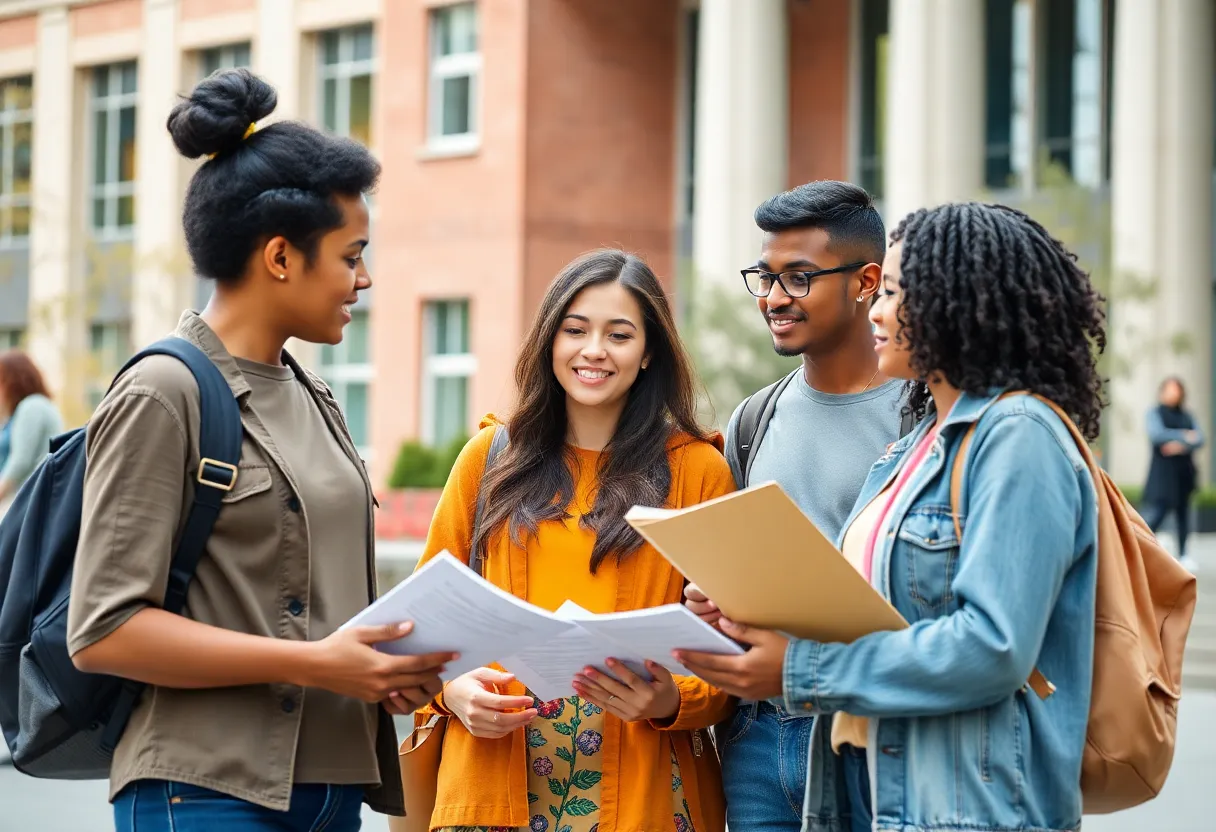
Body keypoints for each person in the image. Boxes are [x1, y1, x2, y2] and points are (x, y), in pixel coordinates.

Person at [66, 69, 454, 831]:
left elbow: (320, 606)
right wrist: (319, 663)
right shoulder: (163, 391)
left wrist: (382, 668)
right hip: (206, 793)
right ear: (280, 257)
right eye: (350, 255)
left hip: (331, 794)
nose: (364, 279)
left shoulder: (316, 396)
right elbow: (105, 631)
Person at [680, 202, 1103, 832]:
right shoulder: (920, 450)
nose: (877, 310)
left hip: (975, 802)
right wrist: (739, 601)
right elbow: (881, 604)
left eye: (895, 293)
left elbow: (994, 647)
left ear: (959, 302)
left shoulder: (1018, 435)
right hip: (889, 775)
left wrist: (798, 668)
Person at [415, 249, 736, 832]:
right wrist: (453, 691)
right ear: (549, 341)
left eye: (619, 335)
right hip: (492, 789)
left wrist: (671, 700)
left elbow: (733, 656)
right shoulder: (488, 461)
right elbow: (417, 628)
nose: (594, 350)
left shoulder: (698, 472)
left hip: (646, 795)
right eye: (576, 330)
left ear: (648, 353)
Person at [684, 180, 904, 832]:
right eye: (766, 277)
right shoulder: (755, 419)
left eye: (799, 278)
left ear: (866, 282)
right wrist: (712, 596)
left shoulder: (925, 417)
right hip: (757, 737)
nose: (774, 298)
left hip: (876, 731)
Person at [1142, 376, 1205, 571]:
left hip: (1183, 474)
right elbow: (1157, 435)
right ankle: (1139, 548)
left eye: (1176, 390)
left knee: (1183, 515)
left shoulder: (1187, 415)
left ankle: (1184, 554)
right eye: (1169, 389)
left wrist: (1179, 445)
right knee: (1156, 513)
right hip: (1163, 474)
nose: (1173, 393)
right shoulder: (1155, 413)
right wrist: (1184, 436)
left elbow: (1200, 438)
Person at [0, 350, 63, 516]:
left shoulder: (31, 407)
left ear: (12, 381)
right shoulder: (36, 406)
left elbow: (20, 462)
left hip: (27, 503)